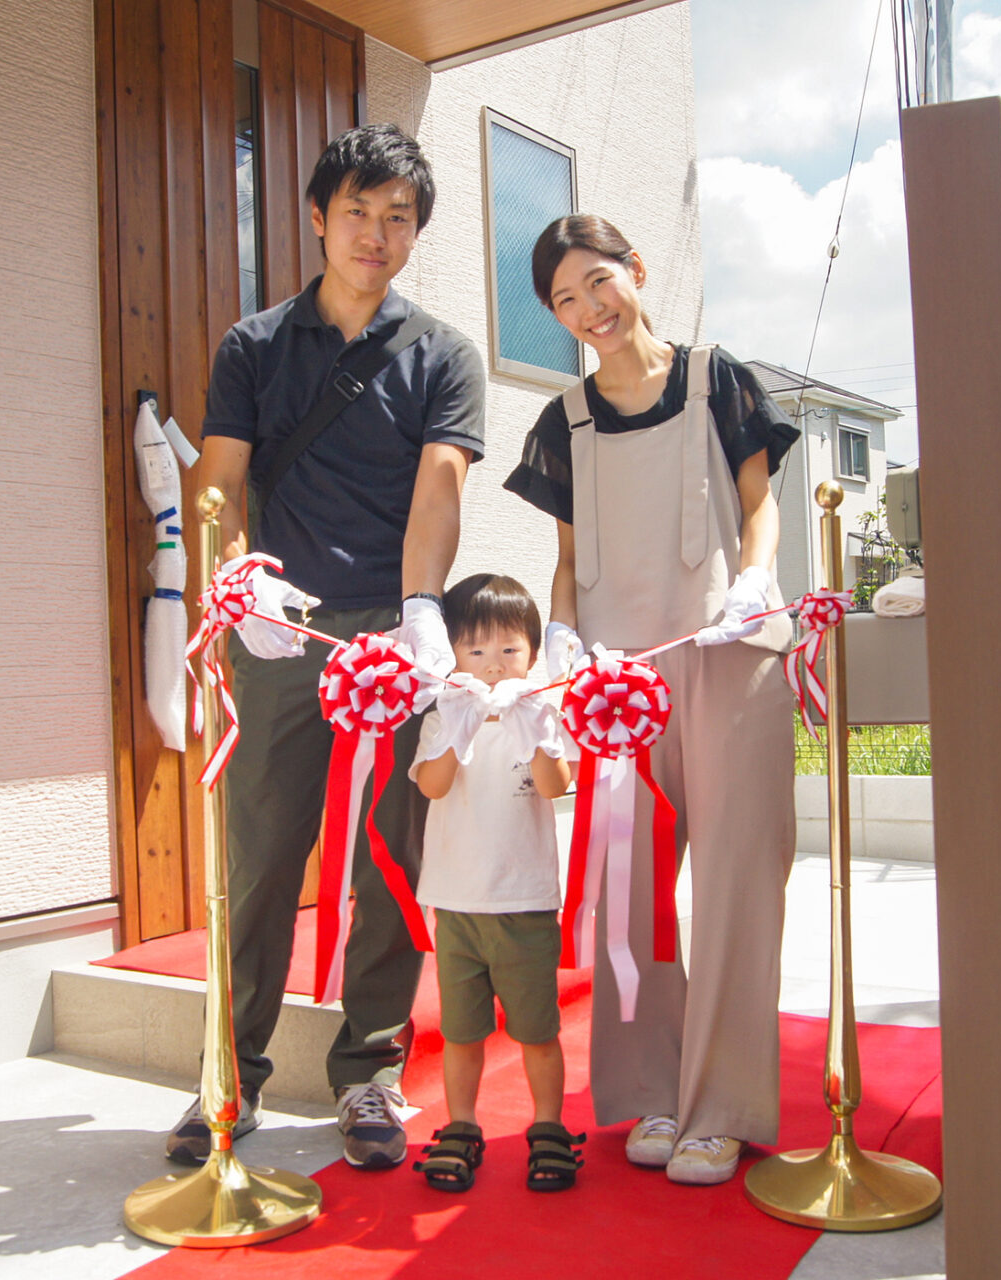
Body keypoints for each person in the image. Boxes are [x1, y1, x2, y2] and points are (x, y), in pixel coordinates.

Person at [168, 124, 486, 1170]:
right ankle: (231, 1069)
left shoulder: (442, 351)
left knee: (391, 855)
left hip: (395, 632)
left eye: (399, 217)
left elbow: (441, 484)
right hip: (280, 629)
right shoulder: (254, 345)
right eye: (358, 210)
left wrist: (422, 609)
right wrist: (238, 578)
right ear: (315, 215)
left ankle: (371, 1075)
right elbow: (216, 478)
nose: (376, 234)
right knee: (260, 852)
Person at [503, 214, 798, 1186]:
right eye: (565, 301)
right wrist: (561, 641)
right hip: (620, 684)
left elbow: (759, 503)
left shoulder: (721, 378)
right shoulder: (566, 421)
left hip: (727, 652)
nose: (590, 310)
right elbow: (569, 565)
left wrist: (755, 581)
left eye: (599, 283)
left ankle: (724, 1105)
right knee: (629, 895)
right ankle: (652, 1094)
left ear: (634, 270)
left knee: (737, 884)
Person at [406, 574, 580, 1192]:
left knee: (537, 1030)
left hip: (525, 902)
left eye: (509, 650)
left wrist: (534, 725)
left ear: (533, 654)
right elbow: (431, 785)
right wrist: (460, 726)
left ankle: (550, 1127)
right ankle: (460, 1125)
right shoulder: (444, 714)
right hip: (456, 904)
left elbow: (557, 785)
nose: (492, 666)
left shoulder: (542, 713)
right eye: (475, 652)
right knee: (460, 1032)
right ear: (452, 655)